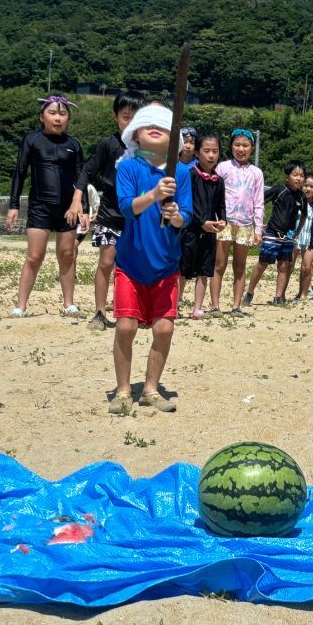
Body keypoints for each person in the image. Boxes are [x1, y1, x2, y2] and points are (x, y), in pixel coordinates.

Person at [108, 104, 191, 415]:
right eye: (147, 125)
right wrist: (155, 195)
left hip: (167, 264)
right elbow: (127, 207)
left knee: (165, 329)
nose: (155, 128)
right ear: (135, 136)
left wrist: (176, 215)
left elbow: (188, 216)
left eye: (163, 126)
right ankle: (123, 390)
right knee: (126, 326)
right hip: (130, 263)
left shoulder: (182, 173)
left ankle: (151, 389)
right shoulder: (128, 168)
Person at [72, 90, 147, 330]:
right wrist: (77, 200)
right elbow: (87, 171)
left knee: (137, 265)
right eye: (126, 117)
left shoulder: (149, 147)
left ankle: (136, 311)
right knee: (106, 262)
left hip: (138, 217)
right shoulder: (109, 143)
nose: (131, 123)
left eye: (136, 117)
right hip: (110, 213)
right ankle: (100, 312)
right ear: (115, 116)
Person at [6, 94, 85, 318]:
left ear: (68, 117)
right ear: (42, 116)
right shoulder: (31, 140)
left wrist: (84, 209)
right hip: (39, 206)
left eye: (62, 113)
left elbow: (82, 178)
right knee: (34, 256)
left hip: (68, 208)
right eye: (52, 113)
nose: (58, 118)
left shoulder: (74, 145)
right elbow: (19, 173)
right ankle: (21, 305)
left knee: (68, 254)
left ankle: (69, 303)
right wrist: (14, 205)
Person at [214, 128, 264, 317]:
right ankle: (215, 306)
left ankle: (236, 306)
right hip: (224, 223)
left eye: (245, 145)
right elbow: (215, 196)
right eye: (237, 144)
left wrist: (258, 229)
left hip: (245, 224)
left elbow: (258, 202)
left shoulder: (256, 173)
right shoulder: (223, 167)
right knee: (219, 264)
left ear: (252, 148)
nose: (241, 149)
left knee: (240, 266)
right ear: (231, 146)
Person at [243, 161, 308, 306]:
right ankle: (249, 293)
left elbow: (304, 216)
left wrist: (297, 232)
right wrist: (257, 223)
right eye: (295, 175)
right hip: (272, 234)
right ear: (287, 176)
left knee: (284, 266)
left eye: (302, 176)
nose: (299, 178)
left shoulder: (302, 197)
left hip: (288, 237)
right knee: (262, 264)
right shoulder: (279, 189)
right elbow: (259, 202)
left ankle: (278, 297)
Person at [180, 130, 226, 320]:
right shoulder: (190, 175)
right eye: (206, 150)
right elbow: (186, 203)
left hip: (210, 231)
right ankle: (175, 304)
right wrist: (201, 222)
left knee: (205, 270)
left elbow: (221, 205)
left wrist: (223, 221)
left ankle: (197, 308)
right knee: (183, 269)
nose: (211, 155)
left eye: (215, 151)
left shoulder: (219, 181)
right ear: (197, 153)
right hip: (190, 229)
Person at [294, 173, 313, 301]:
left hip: (310, 239)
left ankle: (303, 293)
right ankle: (281, 294)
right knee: (288, 266)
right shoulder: (295, 200)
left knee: (306, 267)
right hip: (294, 238)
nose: (308, 189)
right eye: (305, 185)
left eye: (312, 186)